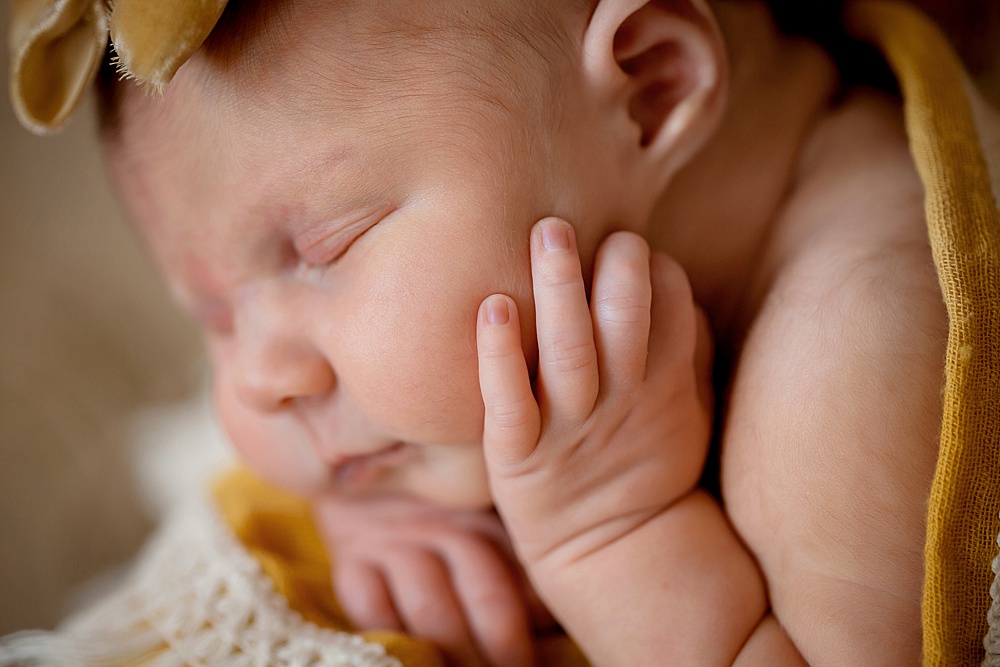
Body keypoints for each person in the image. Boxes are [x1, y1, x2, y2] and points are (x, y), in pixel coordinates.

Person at [9, 0, 957, 664]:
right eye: (213, 315)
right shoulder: (510, 299)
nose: (260, 378)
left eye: (321, 249)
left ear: (650, 87)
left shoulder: (857, 350)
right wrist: (376, 497)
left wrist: (614, 534)